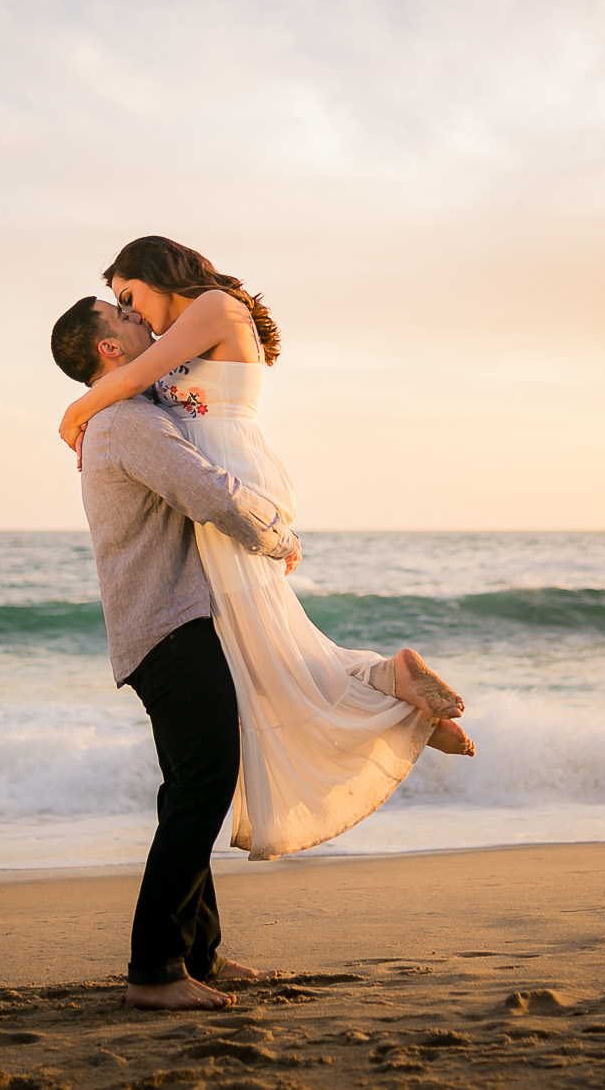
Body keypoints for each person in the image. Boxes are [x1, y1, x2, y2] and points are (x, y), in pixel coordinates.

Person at [56, 236, 472, 864]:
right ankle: (391, 690)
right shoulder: (183, 334)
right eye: (120, 306)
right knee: (264, 644)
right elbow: (133, 377)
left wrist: (75, 412)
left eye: (128, 294)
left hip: (232, 477)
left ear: (155, 273)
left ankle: (393, 703)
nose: (132, 309)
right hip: (221, 476)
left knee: (264, 645)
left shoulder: (216, 307)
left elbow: (135, 375)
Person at [49, 294, 295, 1011]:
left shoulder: (124, 410)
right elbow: (206, 492)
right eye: (121, 316)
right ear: (108, 350)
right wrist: (280, 533)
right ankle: (153, 969)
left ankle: (197, 954)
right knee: (202, 788)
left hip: (165, 627)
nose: (140, 320)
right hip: (168, 628)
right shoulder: (127, 421)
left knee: (192, 787)